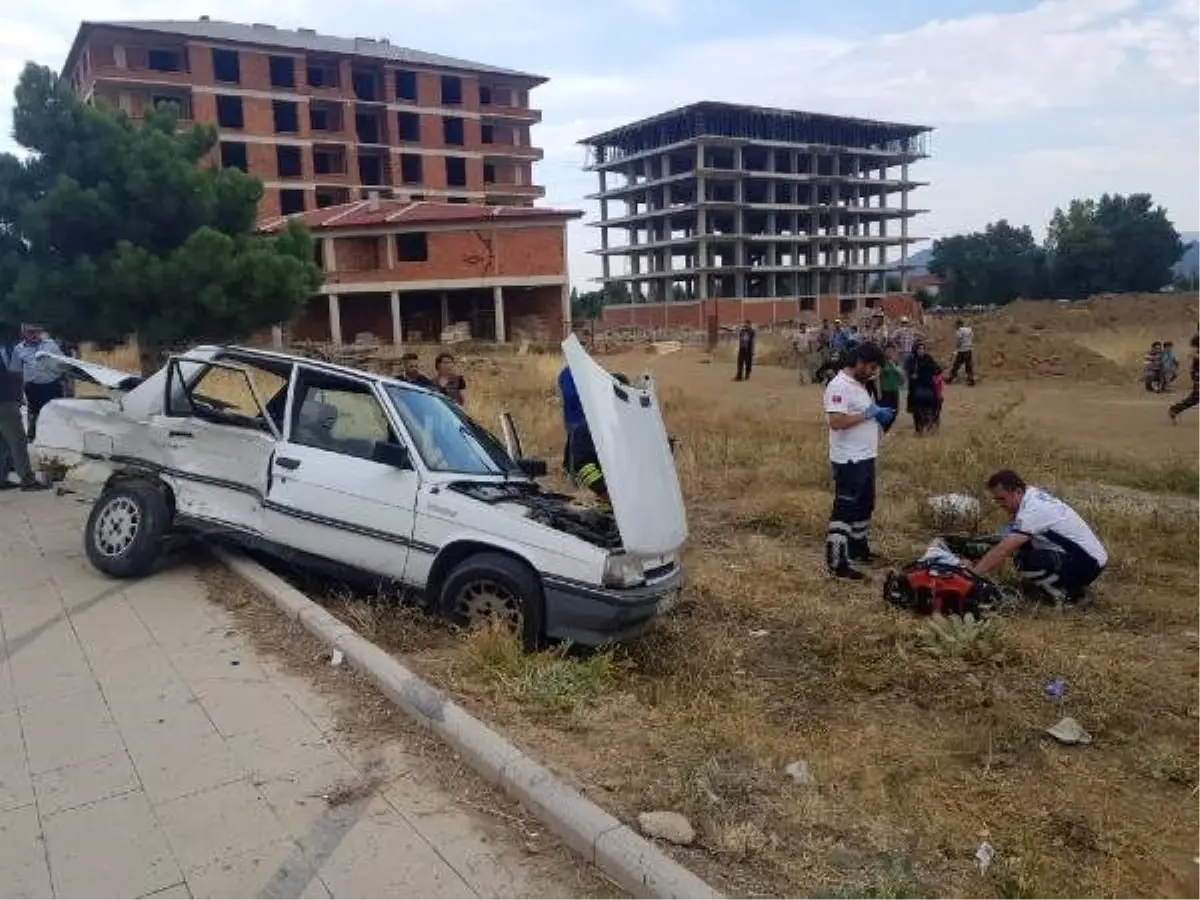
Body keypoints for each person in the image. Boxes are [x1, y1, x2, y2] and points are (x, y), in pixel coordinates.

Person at [970, 470, 1107, 604]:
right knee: (1022, 546)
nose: (999, 504)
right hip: (1086, 557)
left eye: (1002, 499)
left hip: (1089, 563)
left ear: (1017, 492)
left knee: (1024, 559)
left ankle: (1067, 596)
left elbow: (1005, 548)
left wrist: (973, 574)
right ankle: (1065, 585)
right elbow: (1005, 539)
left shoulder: (1033, 509)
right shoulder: (1030, 495)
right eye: (996, 499)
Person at [823, 342, 894, 580]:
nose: (873, 372)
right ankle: (837, 562)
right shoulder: (839, 386)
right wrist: (868, 414)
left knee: (865, 505)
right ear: (860, 362)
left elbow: (861, 414)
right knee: (845, 509)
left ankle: (858, 548)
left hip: (865, 456)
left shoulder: (859, 385)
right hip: (849, 459)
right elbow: (836, 421)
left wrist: (877, 414)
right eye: (871, 367)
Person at [0, 325, 48, 491]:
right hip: (4, 401)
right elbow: (13, 373)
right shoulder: (9, 350)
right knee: (18, 441)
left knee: (4, 442)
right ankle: (27, 479)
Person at [13, 324, 64, 442]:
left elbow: (62, 363)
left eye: (37, 332)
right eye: (31, 332)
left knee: (56, 413)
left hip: (52, 385)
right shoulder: (18, 349)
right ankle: (33, 436)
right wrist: (19, 394)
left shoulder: (50, 344)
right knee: (35, 414)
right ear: (24, 333)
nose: (34, 335)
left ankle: (56, 437)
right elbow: (16, 372)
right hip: (33, 387)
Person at [906, 341, 942, 435]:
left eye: (923, 349)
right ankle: (919, 429)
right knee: (917, 409)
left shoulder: (928, 358)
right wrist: (912, 375)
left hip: (928, 387)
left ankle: (931, 425)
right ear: (915, 350)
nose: (921, 351)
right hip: (916, 388)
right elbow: (909, 372)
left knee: (935, 403)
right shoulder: (912, 360)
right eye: (919, 349)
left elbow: (937, 369)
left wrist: (933, 373)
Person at [1168, 334, 1200, 423]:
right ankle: (1175, 409)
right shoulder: (1197, 339)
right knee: (1197, 396)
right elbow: (1192, 354)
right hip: (1198, 371)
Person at [878, 343, 904, 434]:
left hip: (894, 391)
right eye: (888, 351)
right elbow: (877, 377)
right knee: (884, 413)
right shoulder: (881, 362)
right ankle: (880, 432)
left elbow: (902, 379)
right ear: (884, 351)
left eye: (892, 351)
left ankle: (883, 431)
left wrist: (895, 368)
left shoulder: (896, 362)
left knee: (894, 413)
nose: (890, 353)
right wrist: (878, 392)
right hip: (884, 391)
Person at [947, 318, 976, 386]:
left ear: (959, 324)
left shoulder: (959, 331)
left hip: (962, 351)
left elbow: (959, 341)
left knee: (956, 365)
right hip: (969, 350)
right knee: (968, 366)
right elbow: (972, 338)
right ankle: (971, 380)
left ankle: (950, 378)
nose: (955, 326)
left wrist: (957, 347)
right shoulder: (969, 329)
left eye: (956, 325)